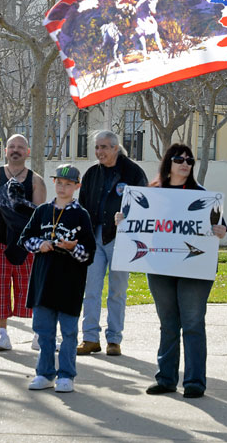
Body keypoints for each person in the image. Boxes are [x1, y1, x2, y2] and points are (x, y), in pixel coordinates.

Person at [136, 144, 227, 398]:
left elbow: (220, 226)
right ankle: (166, 378)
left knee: (193, 323)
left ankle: (194, 381)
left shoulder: (202, 196)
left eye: (189, 160)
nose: (185, 163)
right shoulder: (151, 194)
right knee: (168, 324)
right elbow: (137, 225)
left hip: (194, 269)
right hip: (160, 266)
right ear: (168, 163)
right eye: (179, 159)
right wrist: (124, 220)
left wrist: (220, 230)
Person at [21, 164, 96, 393]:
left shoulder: (81, 215)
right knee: (44, 332)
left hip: (70, 283)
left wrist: (73, 248)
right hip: (44, 282)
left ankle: (66, 375)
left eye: (69, 184)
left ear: (77, 187)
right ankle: (44, 373)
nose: (63, 187)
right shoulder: (42, 210)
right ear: (54, 183)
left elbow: (89, 253)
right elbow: (25, 238)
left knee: (69, 332)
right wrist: (40, 244)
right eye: (59, 183)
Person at [77, 130, 147, 357]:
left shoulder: (134, 173)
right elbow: (83, 207)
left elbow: (146, 206)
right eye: (97, 147)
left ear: (116, 148)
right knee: (92, 289)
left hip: (123, 238)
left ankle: (114, 340)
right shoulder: (91, 174)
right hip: (95, 238)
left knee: (117, 291)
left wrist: (129, 218)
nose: (99, 152)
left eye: (104, 147)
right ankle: (89, 338)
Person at [0, 134, 46, 351]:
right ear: (5, 151)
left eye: (20, 147)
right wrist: (1, 194)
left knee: (31, 289)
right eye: (11, 146)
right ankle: (2, 334)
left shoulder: (36, 180)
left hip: (26, 244)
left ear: (28, 152)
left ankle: (38, 335)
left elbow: (39, 215)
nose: (16, 150)